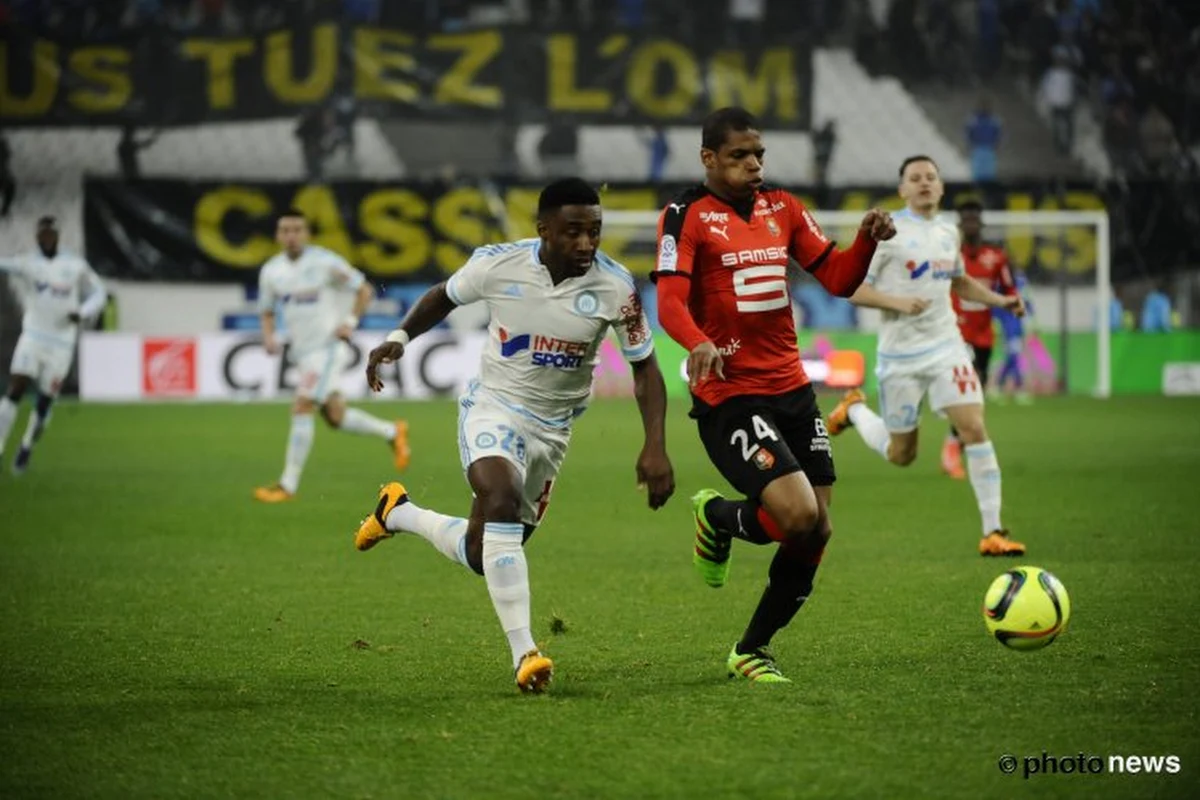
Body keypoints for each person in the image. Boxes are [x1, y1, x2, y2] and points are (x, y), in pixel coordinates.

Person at [355, 178, 675, 694]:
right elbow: (443, 296)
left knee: (488, 554)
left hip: (553, 430)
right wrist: (398, 339)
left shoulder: (616, 289)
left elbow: (645, 370)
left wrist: (654, 444)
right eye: (573, 232)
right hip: (493, 407)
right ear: (544, 229)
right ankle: (525, 652)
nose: (586, 244)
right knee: (498, 497)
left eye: (594, 232)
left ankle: (398, 513)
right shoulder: (498, 264)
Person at [653, 106, 895, 683]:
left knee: (815, 529)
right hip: (729, 395)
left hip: (792, 390)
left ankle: (750, 645)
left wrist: (865, 242)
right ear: (709, 158)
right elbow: (668, 304)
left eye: (758, 154)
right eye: (739, 155)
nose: (754, 165)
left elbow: (837, 279)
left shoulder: (783, 208)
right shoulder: (685, 216)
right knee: (797, 513)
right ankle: (718, 515)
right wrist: (698, 342)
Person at [825, 156, 1027, 557]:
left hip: (947, 347)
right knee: (902, 455)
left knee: (973, 427)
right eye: (914, 178)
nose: (923, 183)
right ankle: (854, 411)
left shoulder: (948, 232)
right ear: (902, 189)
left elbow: (960, 283)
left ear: (941, 187)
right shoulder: (888, 233)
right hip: (900, 357)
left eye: (930, 177)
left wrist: (1001, 301)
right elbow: (850, 287)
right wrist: (895, 301)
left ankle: (993, 531)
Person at [253, 209, 409, 503]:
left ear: (306, 233)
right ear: (277, 235)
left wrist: (349, 323)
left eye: (297, 229)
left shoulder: (325, 262)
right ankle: (392, 431)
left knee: (302, 406)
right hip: (303, 352)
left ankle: (287, 486)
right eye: (285, 230)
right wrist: (269, 336)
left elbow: (364, 290)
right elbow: (266, 308)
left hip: (326, 349)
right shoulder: (271, 271)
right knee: (335, 417)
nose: (291, 235)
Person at [0, 216, 107, 474]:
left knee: (45, 403)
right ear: (37, 237)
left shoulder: (75, 265)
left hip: (61, 344)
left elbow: (99, 292)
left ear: (57, 237)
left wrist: (82, 312)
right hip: (33, 337)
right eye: (41, 235)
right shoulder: (28, 263)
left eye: (49, 235)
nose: (45, 239)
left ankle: (26, 446)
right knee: (16, 387)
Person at [941, 199, 1015, 479]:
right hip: (955, 333)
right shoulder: (947, 254)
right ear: (960, 223)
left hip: (984, 334)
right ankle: (952, 450)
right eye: (966, 218)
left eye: (975, 218)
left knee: (977, 392)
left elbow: (1008, 288)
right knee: (965, 392)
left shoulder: (996, 257)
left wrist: (1013, 304)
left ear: (980, 223)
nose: (970, 223)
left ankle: (953, 444)